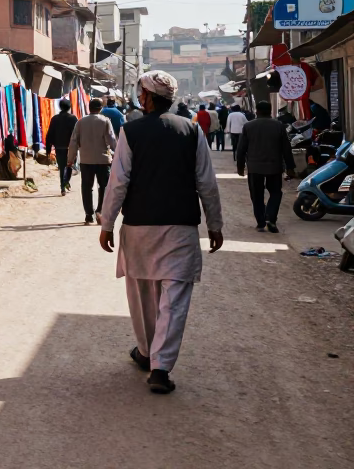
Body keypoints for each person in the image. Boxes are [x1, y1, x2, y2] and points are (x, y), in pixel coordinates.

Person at [99, 70, 223, 395]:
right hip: (180, 229)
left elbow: (118, 182)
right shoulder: (192, 131)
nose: (139, 98)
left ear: (148, 97)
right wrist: (215, 224)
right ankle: (159, 366)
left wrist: (106, 223)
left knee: (143, 297)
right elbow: (206, 184)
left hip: (138, 228)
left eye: (141, 93)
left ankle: (147, 352)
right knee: (174, 300)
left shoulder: (131, 131)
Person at [237, 100, 296, 233]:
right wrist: (290, 167)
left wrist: (240, 167)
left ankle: (261, 221)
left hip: (254, 167)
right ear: (270, 111)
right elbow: (286, 148)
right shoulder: (279, 126)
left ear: (256, 111)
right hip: (274, 166)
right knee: (275, 192)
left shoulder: (248, 126)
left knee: (256, 194)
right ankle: (271, 217)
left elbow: (241, 149)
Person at [68, 98, 117, 224]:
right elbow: (111, 139)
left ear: (89, 108)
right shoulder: (105, 121)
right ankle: (100, 211)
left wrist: (70, 159)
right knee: (104, 187)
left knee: (86, 187)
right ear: (101, 108)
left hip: (86, 160)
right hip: (103, 160)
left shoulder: (80, 122)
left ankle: (88, 215)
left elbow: (73, 141)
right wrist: (117, 153)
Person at [45, 98, 79, 196]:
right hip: (71, 148)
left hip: (59, 147)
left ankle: (62, 187)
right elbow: (77, 134)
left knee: (62, 167)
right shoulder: (73, 118)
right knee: (69, 166)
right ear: (69, 107)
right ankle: (65, 182)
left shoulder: (55, 118)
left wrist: (48, 149)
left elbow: (49, 134)